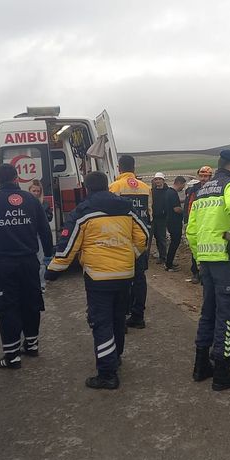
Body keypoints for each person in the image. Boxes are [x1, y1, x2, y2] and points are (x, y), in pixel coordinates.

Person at [45, 172, 149, 389]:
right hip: (125, 273)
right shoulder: (126, 207)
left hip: (98, 276)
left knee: (101, 323)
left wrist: (53, 270)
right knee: (118, 318)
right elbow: (143, 237)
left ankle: (107, 374)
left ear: (86, 188)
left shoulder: (82, 211)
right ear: (107, 186)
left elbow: (68, 245)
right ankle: (115, 357)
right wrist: (131, 254)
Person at [0, 164, 54, 369]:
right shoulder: (31, 200)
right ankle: (31, 345)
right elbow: (45, 230)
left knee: (7, 308)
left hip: (3, 264)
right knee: (31, 303)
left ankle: (12, 356)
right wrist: (49, 255)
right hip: (29, 262)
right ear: (17, 178)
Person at [186, 150, 230, 391]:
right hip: (226, 257)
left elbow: (191, 229)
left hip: (206, 257)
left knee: (208, 313)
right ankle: (222, 371)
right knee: (226, 314)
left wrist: (199, 254)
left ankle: (201, 364)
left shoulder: (202, 189)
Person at [109, 155, 153, 329]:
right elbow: (150, 212)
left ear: (119, 168)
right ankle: (138, 315)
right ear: (134, 168)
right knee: (139, 277)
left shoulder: (114, 186)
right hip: (141, 237)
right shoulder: (145, 187)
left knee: (121, 277)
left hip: (122, 238)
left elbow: (110, 213)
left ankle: (121, 316)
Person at [183, 166, 213, 283]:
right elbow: (188, 204)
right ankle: (196, 272)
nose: (203, 179)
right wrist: (187, 220)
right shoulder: (194, 189)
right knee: (194, 247)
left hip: (209, 221)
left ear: (210, 177)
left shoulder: (215, 189)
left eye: (206, 176)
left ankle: (207, 274)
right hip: (195, 221)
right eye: (201, 176)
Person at [28, 178, 54, 290]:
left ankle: (41, 284)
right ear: (30, 190)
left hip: (39, 235)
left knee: (41, 261)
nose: (36, 193)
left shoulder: (44, 203)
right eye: (34, 191)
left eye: (38, 191)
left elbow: (50, 217)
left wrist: (43, 216)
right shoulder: (25, 203)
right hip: (28, 235)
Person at [164, 176, 186, 271]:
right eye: (183, 185)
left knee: (174, 242)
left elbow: (174, 203)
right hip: (174, 222)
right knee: (175, 242)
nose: (183, 188)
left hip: (170, 221)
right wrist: (186, 211)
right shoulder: (173, 194)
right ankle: (169, 265)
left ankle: (169, 262)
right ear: (179, 183)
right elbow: (176, 209)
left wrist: (185, 200)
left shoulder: (169, 192)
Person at [150, 172, 169, 264]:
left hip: (162, 218)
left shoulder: (167, 191)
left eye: (159, 179)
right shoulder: (152, 191)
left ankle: (163, 257)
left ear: (163, 180)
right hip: (152, 217)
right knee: (152, 237)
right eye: (156, 179)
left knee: (161, 238)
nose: (157, 181)